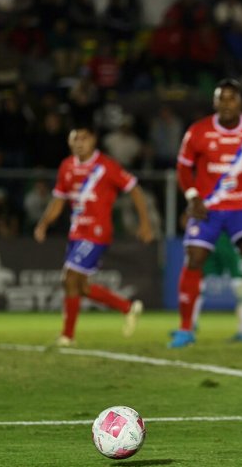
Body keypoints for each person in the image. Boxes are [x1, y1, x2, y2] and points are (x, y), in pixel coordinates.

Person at [171, 78, 242, 349]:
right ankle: (185, 329)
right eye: (221, 98)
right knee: (194, 258)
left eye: (232, 98)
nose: (226, 103)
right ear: (214, 102)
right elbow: (183, 168)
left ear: (240, 102)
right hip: (208, 207)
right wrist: (192, 197)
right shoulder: (198, 131)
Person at [33, 122, 154, 346]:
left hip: (97, 232)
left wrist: (144, 223)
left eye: (84, 138)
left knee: (69, 277)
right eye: (75, 139)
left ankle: (67, 337)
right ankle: (127, 307)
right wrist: (43, 224)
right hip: (76, 232)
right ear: (69, 142)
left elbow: (135, 190)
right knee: (81, 286)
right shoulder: (66, 166)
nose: (79, 143)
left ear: (94, 140)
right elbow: (58, 201)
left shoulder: (106, 166)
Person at [193, 231, 242, 343]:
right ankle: (189, 327)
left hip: (232, 241)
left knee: (241, 287)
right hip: (210, 238)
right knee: (196, 281)